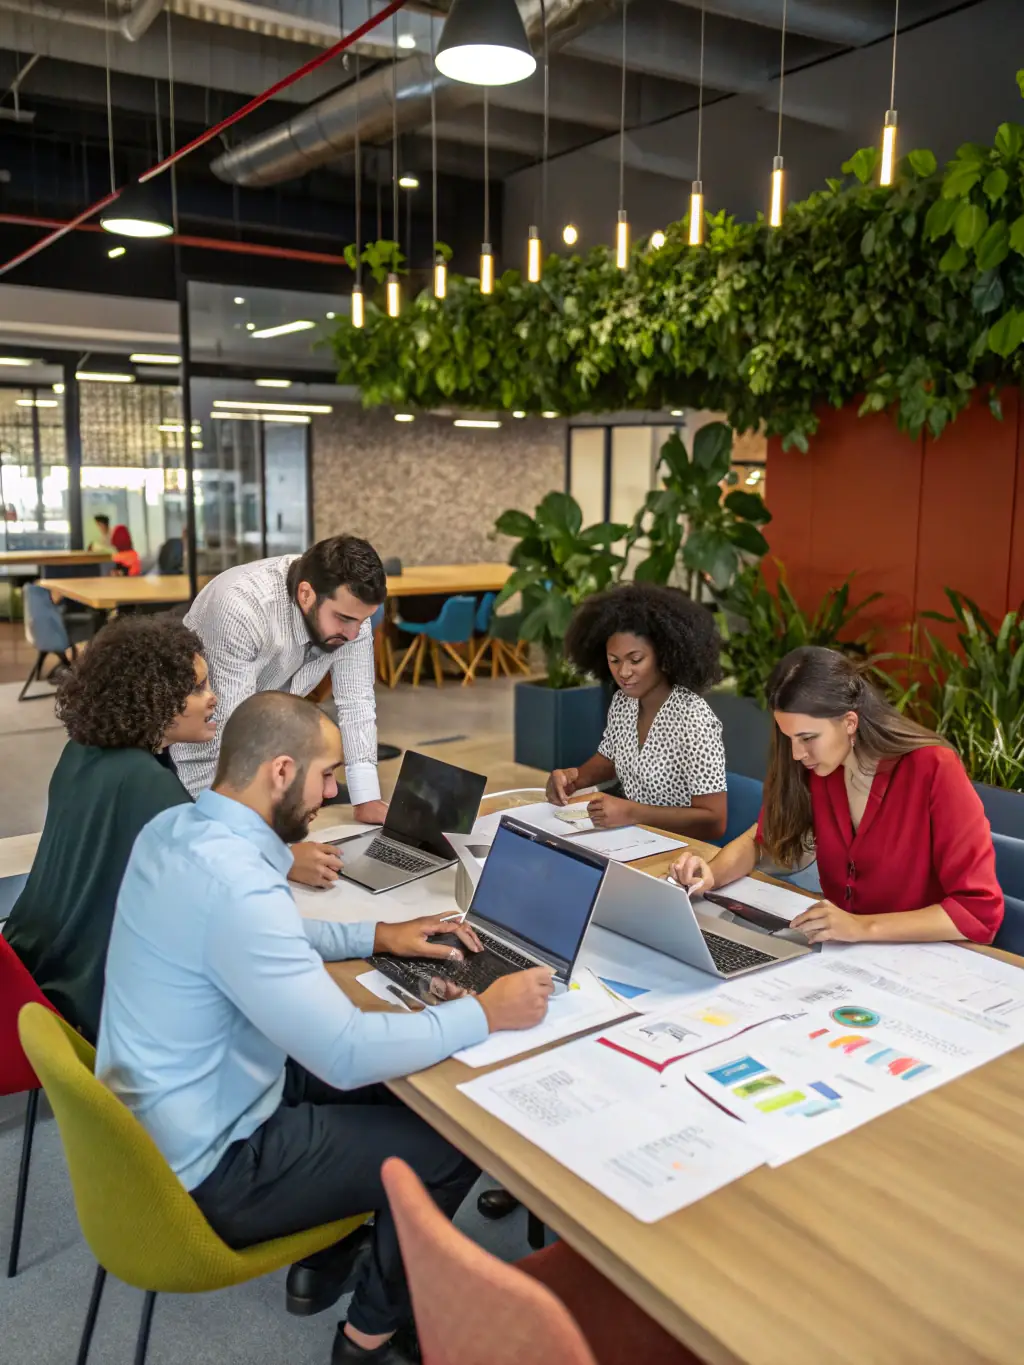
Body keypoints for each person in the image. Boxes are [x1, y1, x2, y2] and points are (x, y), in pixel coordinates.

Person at [96, 692, 555, 1365]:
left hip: (155, 1126)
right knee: (450, 1137)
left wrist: (380, 933)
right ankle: (367, 1338)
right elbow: (342, 1051)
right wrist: (484, 1011)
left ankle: (344, 1244)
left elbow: (269, 932)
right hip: (217, 1165)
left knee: (403, 1089)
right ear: (281, 771)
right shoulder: (241, 887)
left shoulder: (176, 831)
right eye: (327, 774)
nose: (333, 790)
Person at [669, 645, 1004, 945]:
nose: (797, 754)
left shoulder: (933, 768)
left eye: (807, 738)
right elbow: (764, 840)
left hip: (928, 959)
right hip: (843, 955)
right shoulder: (820, 769)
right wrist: (712, 874)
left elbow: (978, 912)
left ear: (849, 722)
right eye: (789, 739)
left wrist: (860, 928)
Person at [2, 616, 216, 1041]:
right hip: (89, 1000)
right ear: (152, 696)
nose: (213, 699)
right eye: (197, 689)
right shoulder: (149, 786)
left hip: (27, 975)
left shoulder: (81, 752)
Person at [174, 536, 389, 889]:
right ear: (306, 594)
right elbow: (221, 745)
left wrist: (366, 798)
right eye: (344, 619)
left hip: (254, 739)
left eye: (362, 622)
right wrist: (275, 854)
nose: (353, 634)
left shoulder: (350, 618)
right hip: (186, 758)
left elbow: (356, 702)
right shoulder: (241, 608)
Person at [546, 582, 728, 838]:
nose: (624, 672)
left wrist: (632, 812)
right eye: (614, 661)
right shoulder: (623, 701)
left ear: (664, 656)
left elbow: (714, 821)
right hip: (631, 839)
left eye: (635, 659)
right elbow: (611, 759)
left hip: (681, 854)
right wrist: (573, 778)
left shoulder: (693, 717)